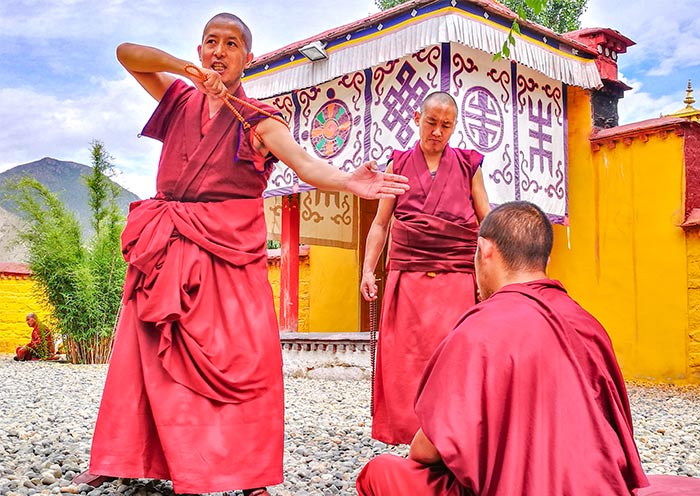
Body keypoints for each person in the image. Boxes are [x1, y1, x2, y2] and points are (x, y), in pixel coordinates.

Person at [73, 12, 409, 496]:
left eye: (232, 44)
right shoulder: (178, 98)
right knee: (145, 351)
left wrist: (347, 180)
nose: (220, 52)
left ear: (247, 59)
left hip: (230, 252)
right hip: (168, 245)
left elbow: (306, 164)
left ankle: (248, 473)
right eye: (211, 42)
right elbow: (126, 54)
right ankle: (128, 457)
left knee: (250, 357)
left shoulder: (259, 121)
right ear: (199, 50)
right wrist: (179, 68)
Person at [356, 201, 651, 495]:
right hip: (599, 489)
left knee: (380, 471)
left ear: (484, 250)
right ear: (544, 259)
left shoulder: (480, 329)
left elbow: (427, 451)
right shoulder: (589, 325)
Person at [360, 91, 490, 445]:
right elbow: (381, 223)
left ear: (454, 126)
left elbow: (486, 224)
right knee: (405, 356)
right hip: (409, 278)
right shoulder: (398, 164)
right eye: (431, 122)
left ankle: (454, 435)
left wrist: (491, 278)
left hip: (457, 278)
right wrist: (368, 269)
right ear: (417, 117)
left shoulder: (468, 165)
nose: (437, 131)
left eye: (446, 125)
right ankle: (409, 432)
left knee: (454, 354)